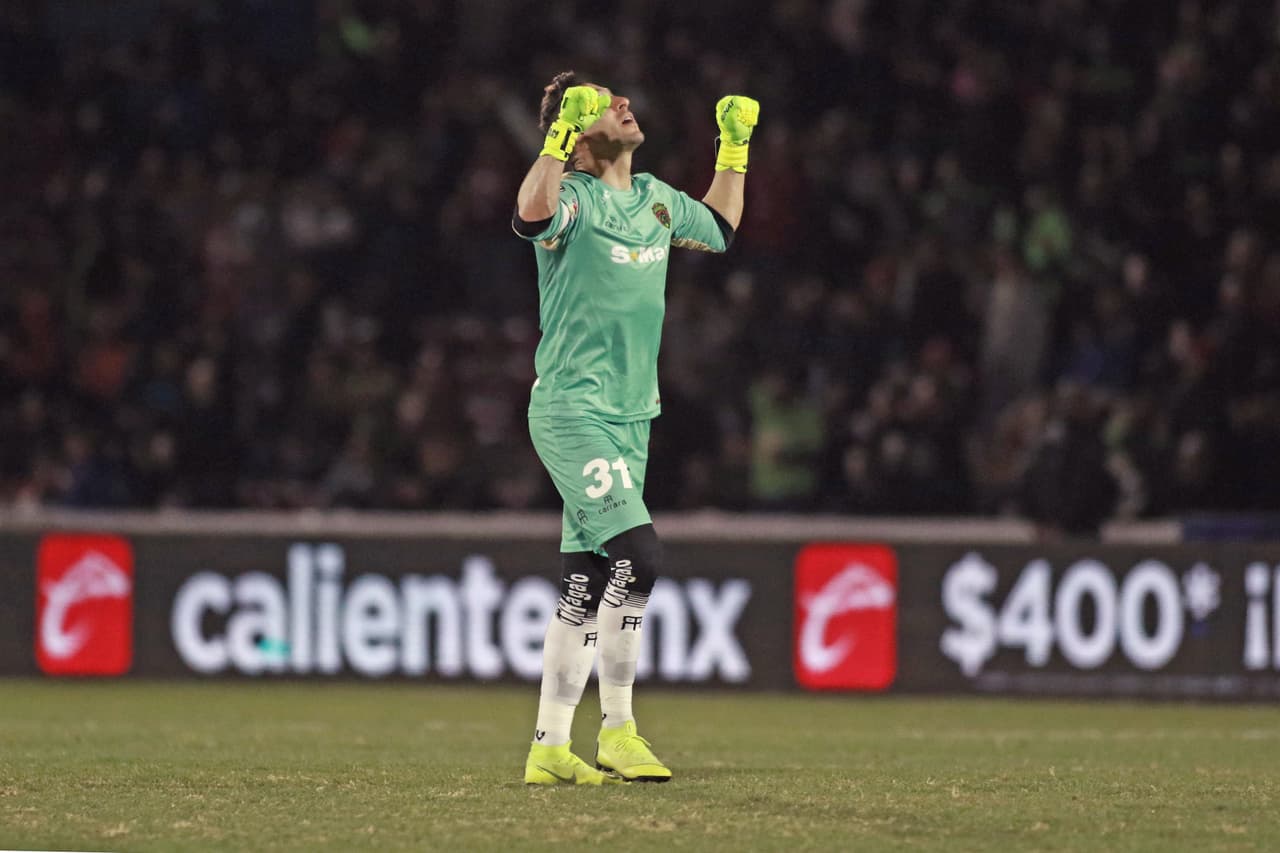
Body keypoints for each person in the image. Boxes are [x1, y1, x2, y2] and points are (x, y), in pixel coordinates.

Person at [512, 72, 757, 785]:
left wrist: (733, 150)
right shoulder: (573, 197)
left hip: (632, 415)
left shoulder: (655, 198)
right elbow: (529, 217)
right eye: (600, 102)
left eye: (618, 96)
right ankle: (618, 729)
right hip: (572, 408)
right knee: (639, 556)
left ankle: (549, 747)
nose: (622, 103)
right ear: (577, 132)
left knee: (585, 582)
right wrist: (558, 134)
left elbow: (720, 229)